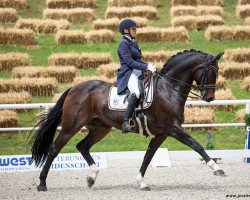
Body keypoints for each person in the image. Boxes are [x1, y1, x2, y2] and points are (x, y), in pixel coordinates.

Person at [116, 18, 157, 133]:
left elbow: (137, 60)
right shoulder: (123, 44)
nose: (136, 31)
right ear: (126, 30)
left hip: (138, 72)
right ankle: (125, 122)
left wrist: (149, 66)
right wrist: (146, 67)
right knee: (136, 92)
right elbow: (129, 63)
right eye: (133, 29)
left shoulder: (133, 43)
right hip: (129, 74)